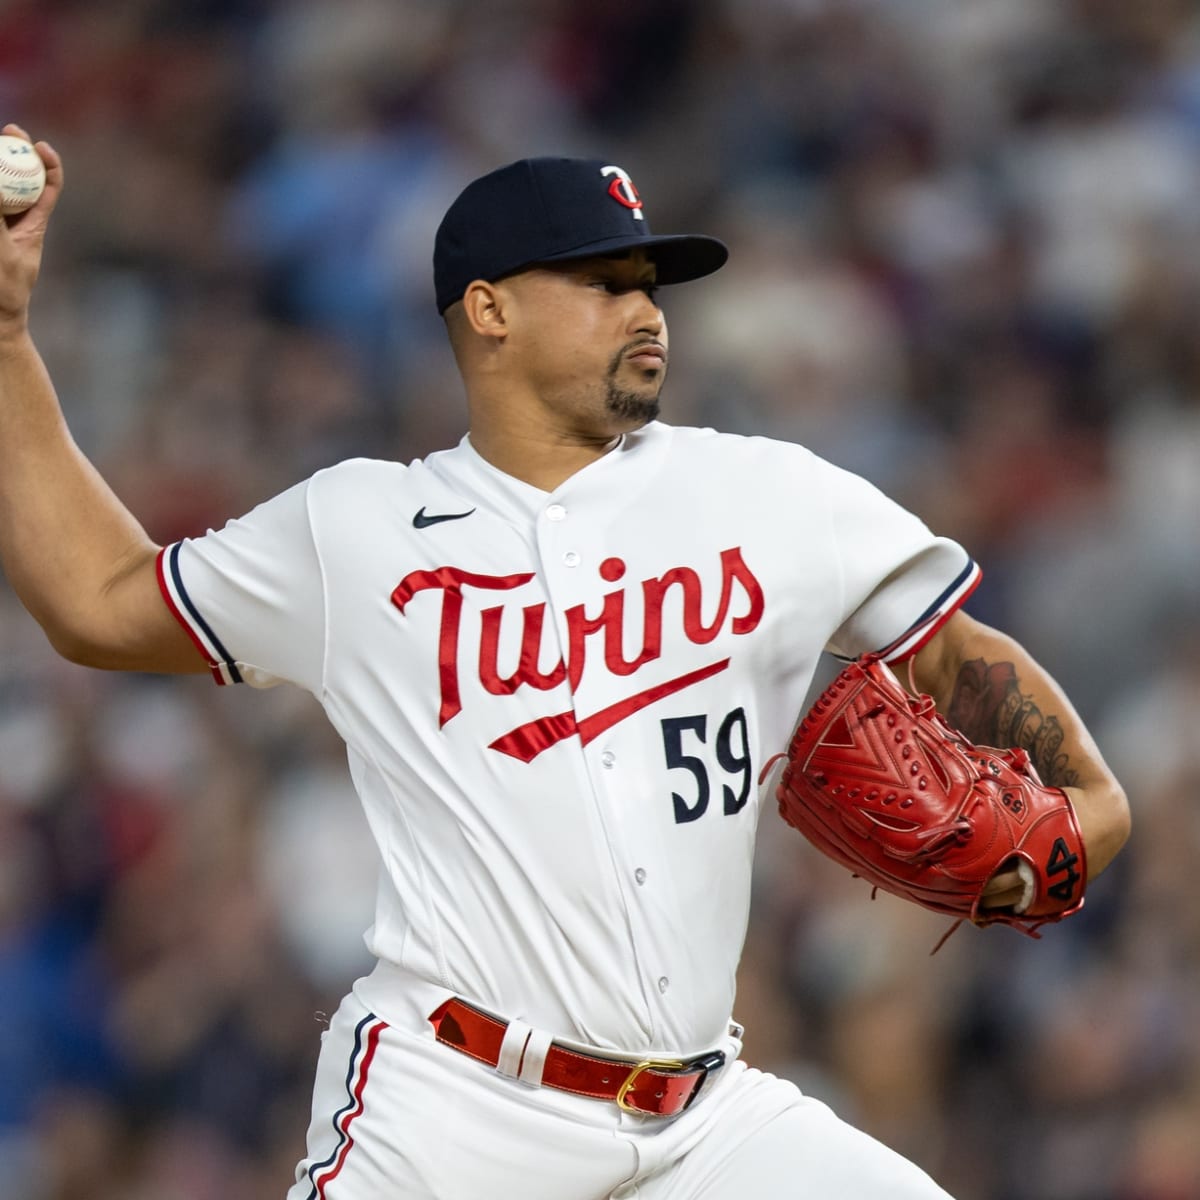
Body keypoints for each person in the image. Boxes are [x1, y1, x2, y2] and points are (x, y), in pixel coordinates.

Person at [0, 129, 1129, 1199]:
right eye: (602, 282)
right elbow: (97, 602)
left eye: (649, 284)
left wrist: (1088, 806)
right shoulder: (357, 529)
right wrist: (4, 337)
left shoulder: (772, 496)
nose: (645, 311)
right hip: (452, 1105)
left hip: (705, 1117)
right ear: (488, 309)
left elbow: (960, 652)